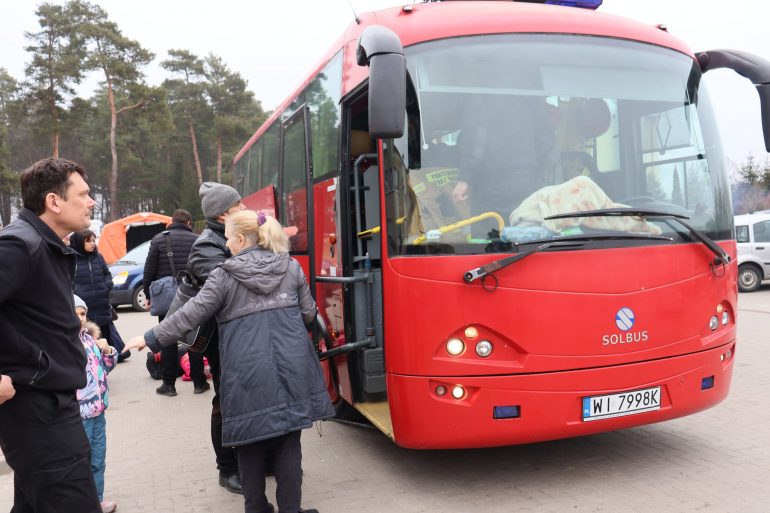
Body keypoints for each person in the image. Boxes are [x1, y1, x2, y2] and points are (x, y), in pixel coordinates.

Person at [124, 210, 333, 513]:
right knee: (289, 440)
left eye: (227, 239)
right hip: (293, 366)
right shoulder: (291, 267)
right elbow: (309, 314)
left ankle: (257, 508)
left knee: (249, 441)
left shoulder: (225, 275)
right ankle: (291, 509)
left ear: (237, 239)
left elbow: (190, 314)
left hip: (246, 371)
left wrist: (151, 337)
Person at [0, 157, 101, 512]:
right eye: (84, 194)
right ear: (54, 202)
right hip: (36, 409)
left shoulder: (46, 244)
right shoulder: (19, 245)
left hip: (49, 403)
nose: (92, 202)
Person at [166, 181, 246, 493]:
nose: (244, 207)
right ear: (224, 213)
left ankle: (257, 458)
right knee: (226, 400)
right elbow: (235, 280)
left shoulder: (228, 235)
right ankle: (226, 468)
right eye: (238, 204)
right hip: (219, 337)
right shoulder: (205, 246)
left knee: (247, 397)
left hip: (239, 332)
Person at [142, 208, 207, 396]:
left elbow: (149, 271)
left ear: (172, 221)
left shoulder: (159, 240)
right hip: (192, 295)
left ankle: (168, 385)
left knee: (167, 338)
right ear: (188, 223)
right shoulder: (197, 240)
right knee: (194, 337)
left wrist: (148, 295)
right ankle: (199, 382)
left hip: (167, 299)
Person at [74, 295, 118, 513]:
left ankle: (96, 500)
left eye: (83, 314)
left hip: (99, 410)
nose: (81, 319)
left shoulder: (91, 340)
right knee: (81, 460)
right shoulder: (65, 342)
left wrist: (108, 351)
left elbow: (104, 369)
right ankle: (83, 503)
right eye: (75, 314)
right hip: (79, 413)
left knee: (98, 458)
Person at [70, 229, 128, 359]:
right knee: (88, 335)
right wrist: (76, 293)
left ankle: (107, 359)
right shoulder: (71, 258)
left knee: (105, 334)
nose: (92, 244)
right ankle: (91, 361)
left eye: (93, 240)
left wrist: (106, 286)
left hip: (102, 304)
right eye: (88, 241)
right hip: (85, 307)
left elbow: (107, 274)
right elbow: (67, 279)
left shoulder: (98, 256)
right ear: (80, 242)